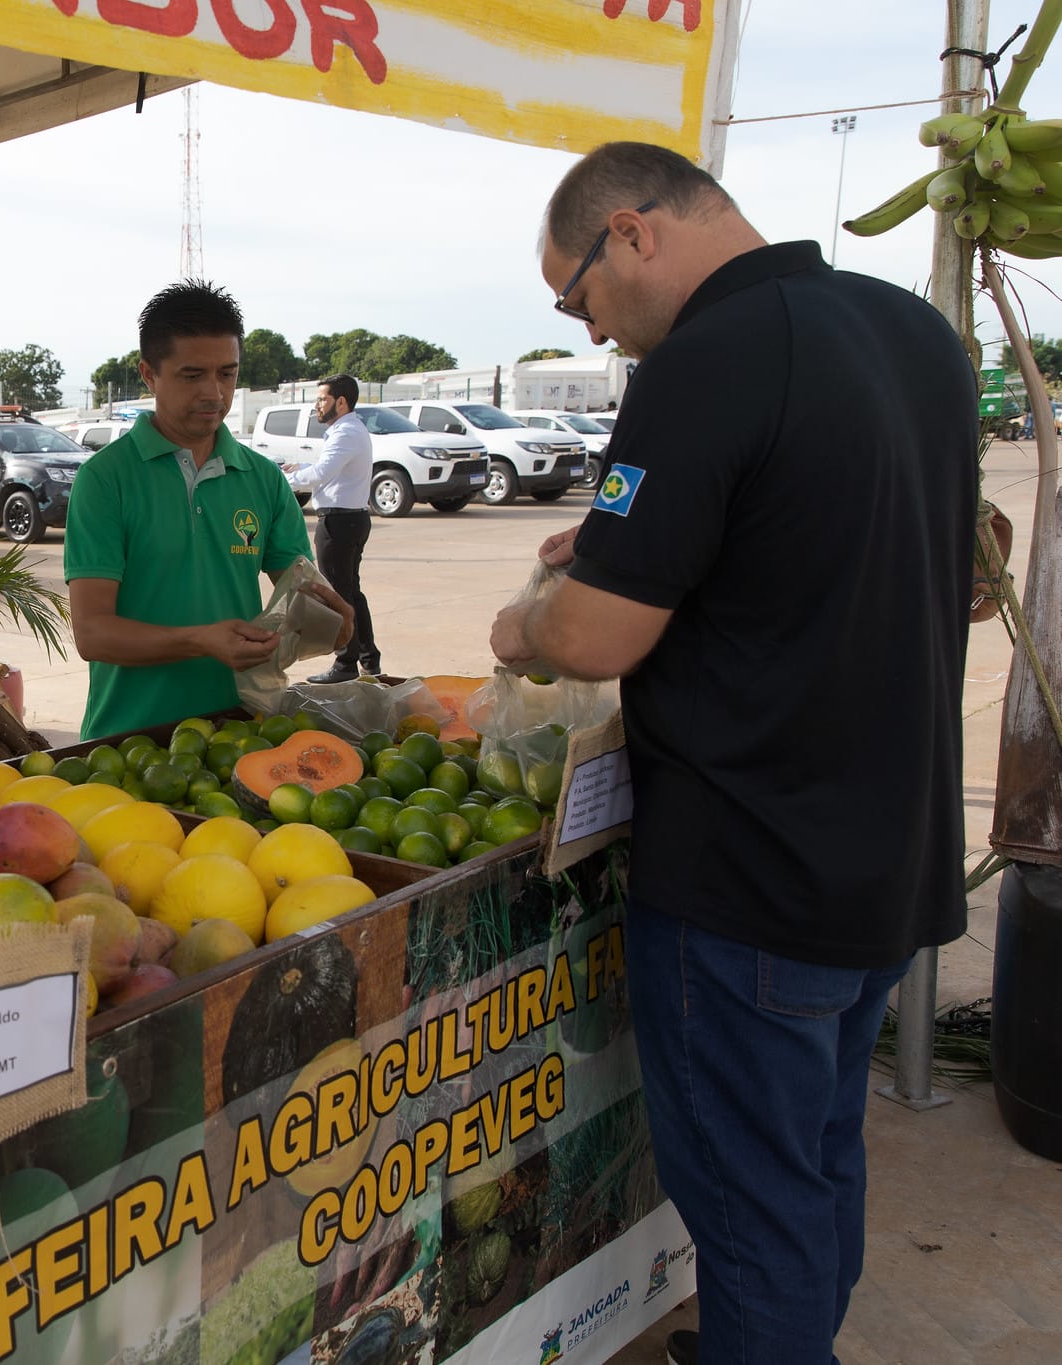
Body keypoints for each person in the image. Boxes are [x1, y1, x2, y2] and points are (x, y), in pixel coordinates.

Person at [488, 142, 974, 1365]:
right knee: (813, 1160)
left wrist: (530, 621)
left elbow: (593, 637)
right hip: (881, 851)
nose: (597, 333)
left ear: (632, 234)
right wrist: (617, 553)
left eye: (578, 297)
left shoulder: (704, 359)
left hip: (749, 877)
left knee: (753, 1213)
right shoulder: (910, 334)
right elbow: (813, 550)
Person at [63, 280, 353, 739]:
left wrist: (328, 617)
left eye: (228, 373)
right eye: (193, 375)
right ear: (149, 374)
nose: (215, 394)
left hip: (238, 730)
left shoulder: (262, 478)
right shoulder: (105, 479)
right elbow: (93, 634)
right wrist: (199, 641)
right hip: (128, 740)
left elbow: (299, 591)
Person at [281, 373, 381, 682]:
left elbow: (321, 474)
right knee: (351, 591)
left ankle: (345, 665)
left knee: (338, 594)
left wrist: (280, 480)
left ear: (341, 401)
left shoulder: (345, 433)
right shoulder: (349, 430)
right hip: (350, 518)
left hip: (339, 521)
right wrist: (303, 470)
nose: (316, 406)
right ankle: (368, 658)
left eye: (322, 399)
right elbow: (329, 470)